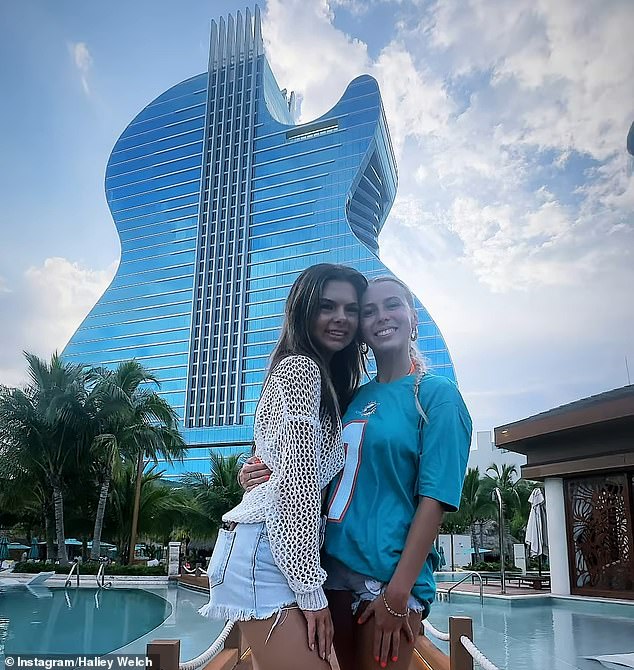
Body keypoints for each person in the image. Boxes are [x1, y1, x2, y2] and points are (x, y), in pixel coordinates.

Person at [241, 276, 472, 670]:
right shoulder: (353, 396)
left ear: (413, 317)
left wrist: (398, 596)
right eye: (369, 311)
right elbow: (308, 467)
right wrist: (255, 471)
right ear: (361, 331)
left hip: (386, 582)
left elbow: (436, 500)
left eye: (393, 305)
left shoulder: (436, 395)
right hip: (328, 576)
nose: (382, 316)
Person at [199, 263, 367, 670]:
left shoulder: (323, 380)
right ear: (303, 310)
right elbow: (298, 484)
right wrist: (312, 592)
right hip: (268, 554)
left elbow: (276, 459)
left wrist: (251, 474)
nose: (341, 318)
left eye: (351, 309)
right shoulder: (300, 369)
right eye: (327, 306)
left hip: (275, 548)